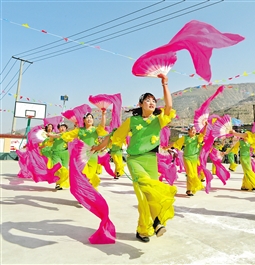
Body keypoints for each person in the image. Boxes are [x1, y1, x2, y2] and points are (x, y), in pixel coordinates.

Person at [97, 74, 177, 243]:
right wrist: (99, 147)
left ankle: (144, 229)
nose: (152, 102)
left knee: (149, 197)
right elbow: (115, 135)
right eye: (148, 100)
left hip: (150, 161)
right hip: (135, 160)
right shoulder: (132, 121)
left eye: (154, 100)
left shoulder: (158, 120)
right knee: (143, 192)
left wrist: (165, 84)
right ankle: (156, 223)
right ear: (141, 104)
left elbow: (169, 106)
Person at [60, 110, 107, 189]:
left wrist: (103, 115)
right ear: (84, 120)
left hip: (93, 155)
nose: (89, 119)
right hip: (81, 156)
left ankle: (90, 191)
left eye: (91, 118)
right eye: (87, 118)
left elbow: (102, 125)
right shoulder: (80, 130)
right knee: (83, 173)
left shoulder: (96, 130)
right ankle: (83, 190)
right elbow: (66, 135)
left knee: (91, 174)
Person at [172, 123, 207, 196]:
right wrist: (167, 147)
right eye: (192, 130)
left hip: (194, 159)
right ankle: (197, 184)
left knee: (193, 174)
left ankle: (189, 189)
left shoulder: (198, 138)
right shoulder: (185, 138)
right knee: (190, 173)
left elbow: (203, 133)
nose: (193, 131)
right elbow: (176, 143)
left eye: (194, 130)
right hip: (186, 157)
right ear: (188, 131)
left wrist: (205, 126)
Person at [49, 122, 70, 190]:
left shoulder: (67, 135)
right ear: (58, 128)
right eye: (61, 127)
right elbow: (50, 141)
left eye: (64, 127)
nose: (63, 128)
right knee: (58, 168)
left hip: (65, 153)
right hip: (56, 154)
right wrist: (50, 135)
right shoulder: (54, 135)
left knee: (65, 169)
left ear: (66, 128)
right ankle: (58, 182)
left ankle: (60, 183)